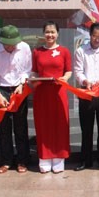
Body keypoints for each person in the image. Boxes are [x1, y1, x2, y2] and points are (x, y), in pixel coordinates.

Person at [0, 25, 32, 174]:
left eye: (13, 44)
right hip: (2, 88)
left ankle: (22, 160)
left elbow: (27, 68)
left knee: (21, 126)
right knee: (4, 127)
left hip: (19, 88)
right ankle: (6, 161)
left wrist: (22, 84)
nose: (11, 47)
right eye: (8, 44)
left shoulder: (24, 48)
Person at [31, 21, 72, 174]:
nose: (50, 35)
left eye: (53, 32)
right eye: (47, 32)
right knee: (43, 124)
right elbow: (34, 71)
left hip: (58, 92)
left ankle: (59, 158)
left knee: (60, 123)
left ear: (58, 33)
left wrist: (64, 79)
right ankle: (45, 157)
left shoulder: (64, 51)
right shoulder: (37, 52)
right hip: (42, 93)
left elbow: (68, 71)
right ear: (43, 33)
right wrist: (32, 78)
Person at [73, 22, 99, 172]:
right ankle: (86, 160)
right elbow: (78, 71)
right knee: (86, 129)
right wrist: (85, 81)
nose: (98, 39)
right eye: (95, 36)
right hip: (87, 93)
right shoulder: (81, 51)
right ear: (90, 35)